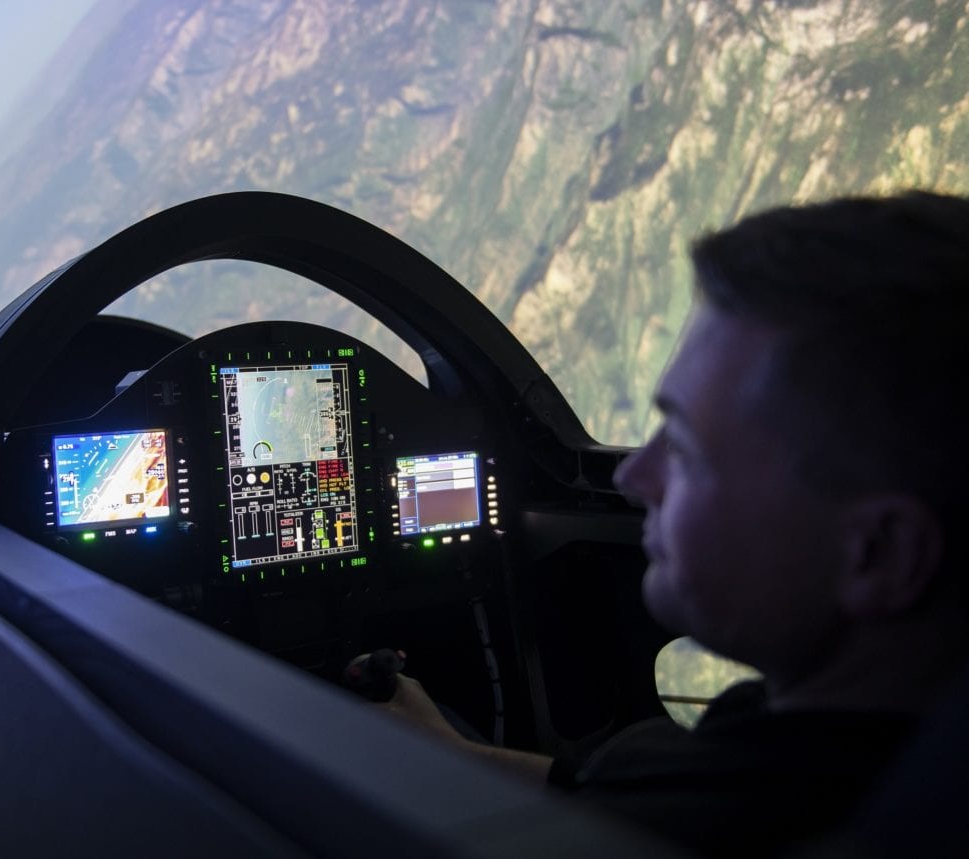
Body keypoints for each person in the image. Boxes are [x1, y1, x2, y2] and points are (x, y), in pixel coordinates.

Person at [385, 191, 969, 854]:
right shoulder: (844, 760)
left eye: (685, 449)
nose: (635, 479)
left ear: (879, 553)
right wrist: (451, 754)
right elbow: (606, 803)